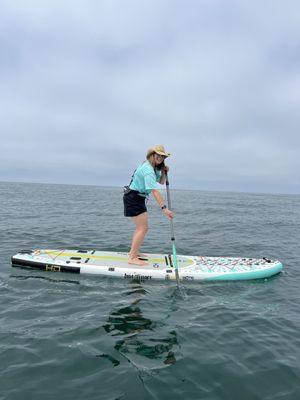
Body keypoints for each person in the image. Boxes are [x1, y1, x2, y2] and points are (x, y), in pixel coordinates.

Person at [123, 145, 174, 266]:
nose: (160, 158)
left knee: (141, 228)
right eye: (158, 155)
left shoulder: (154, 168)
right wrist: (164, 208)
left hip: (138, 198)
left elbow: (161, 181)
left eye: (163, 157)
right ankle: (132, 257)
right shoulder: (148, 169)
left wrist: (163, 172)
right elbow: (154, 190)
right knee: (143, 228)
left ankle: (133, 252)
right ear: (152, 155)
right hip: (133, 198)